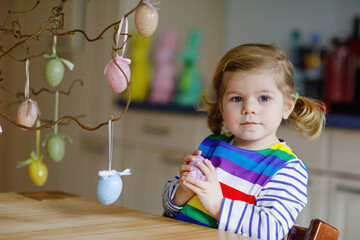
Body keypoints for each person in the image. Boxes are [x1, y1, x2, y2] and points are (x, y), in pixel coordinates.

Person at [162, 43, 326, 239]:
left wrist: (217, 204)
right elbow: (169, 209)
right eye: (237, 99)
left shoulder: (287, 169)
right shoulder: (210, 146)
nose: (249, 108)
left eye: (264, 98)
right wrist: (182, 192)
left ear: (287, 106)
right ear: (221, 106)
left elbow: (270, 231)